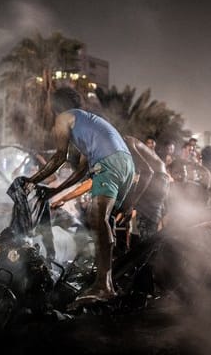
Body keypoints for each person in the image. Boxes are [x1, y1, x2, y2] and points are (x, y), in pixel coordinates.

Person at [25, 87, 135, 302]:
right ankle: (109, 283)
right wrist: (56, 191)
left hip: (109, 164)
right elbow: (81, 171)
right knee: (106, 222)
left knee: (98, 219)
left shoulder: (63, 118)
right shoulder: (88, 123)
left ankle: (102, 286)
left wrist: (32, 180)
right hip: (126, 166)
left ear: (56, 105)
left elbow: (59, 158)